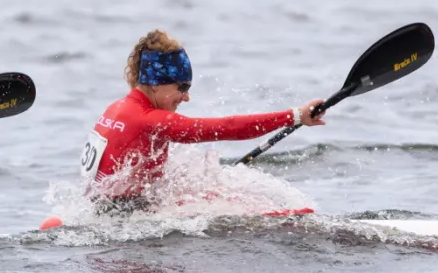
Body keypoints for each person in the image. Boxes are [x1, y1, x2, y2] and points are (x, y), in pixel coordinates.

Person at [81, 30, 325, 210]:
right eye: (182, 87)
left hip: (102, 207)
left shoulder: (116, 108)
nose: (186, 97)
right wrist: (294, 116)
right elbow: (227, 128)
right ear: (156, 83)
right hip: (126, 215)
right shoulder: (149, 119)